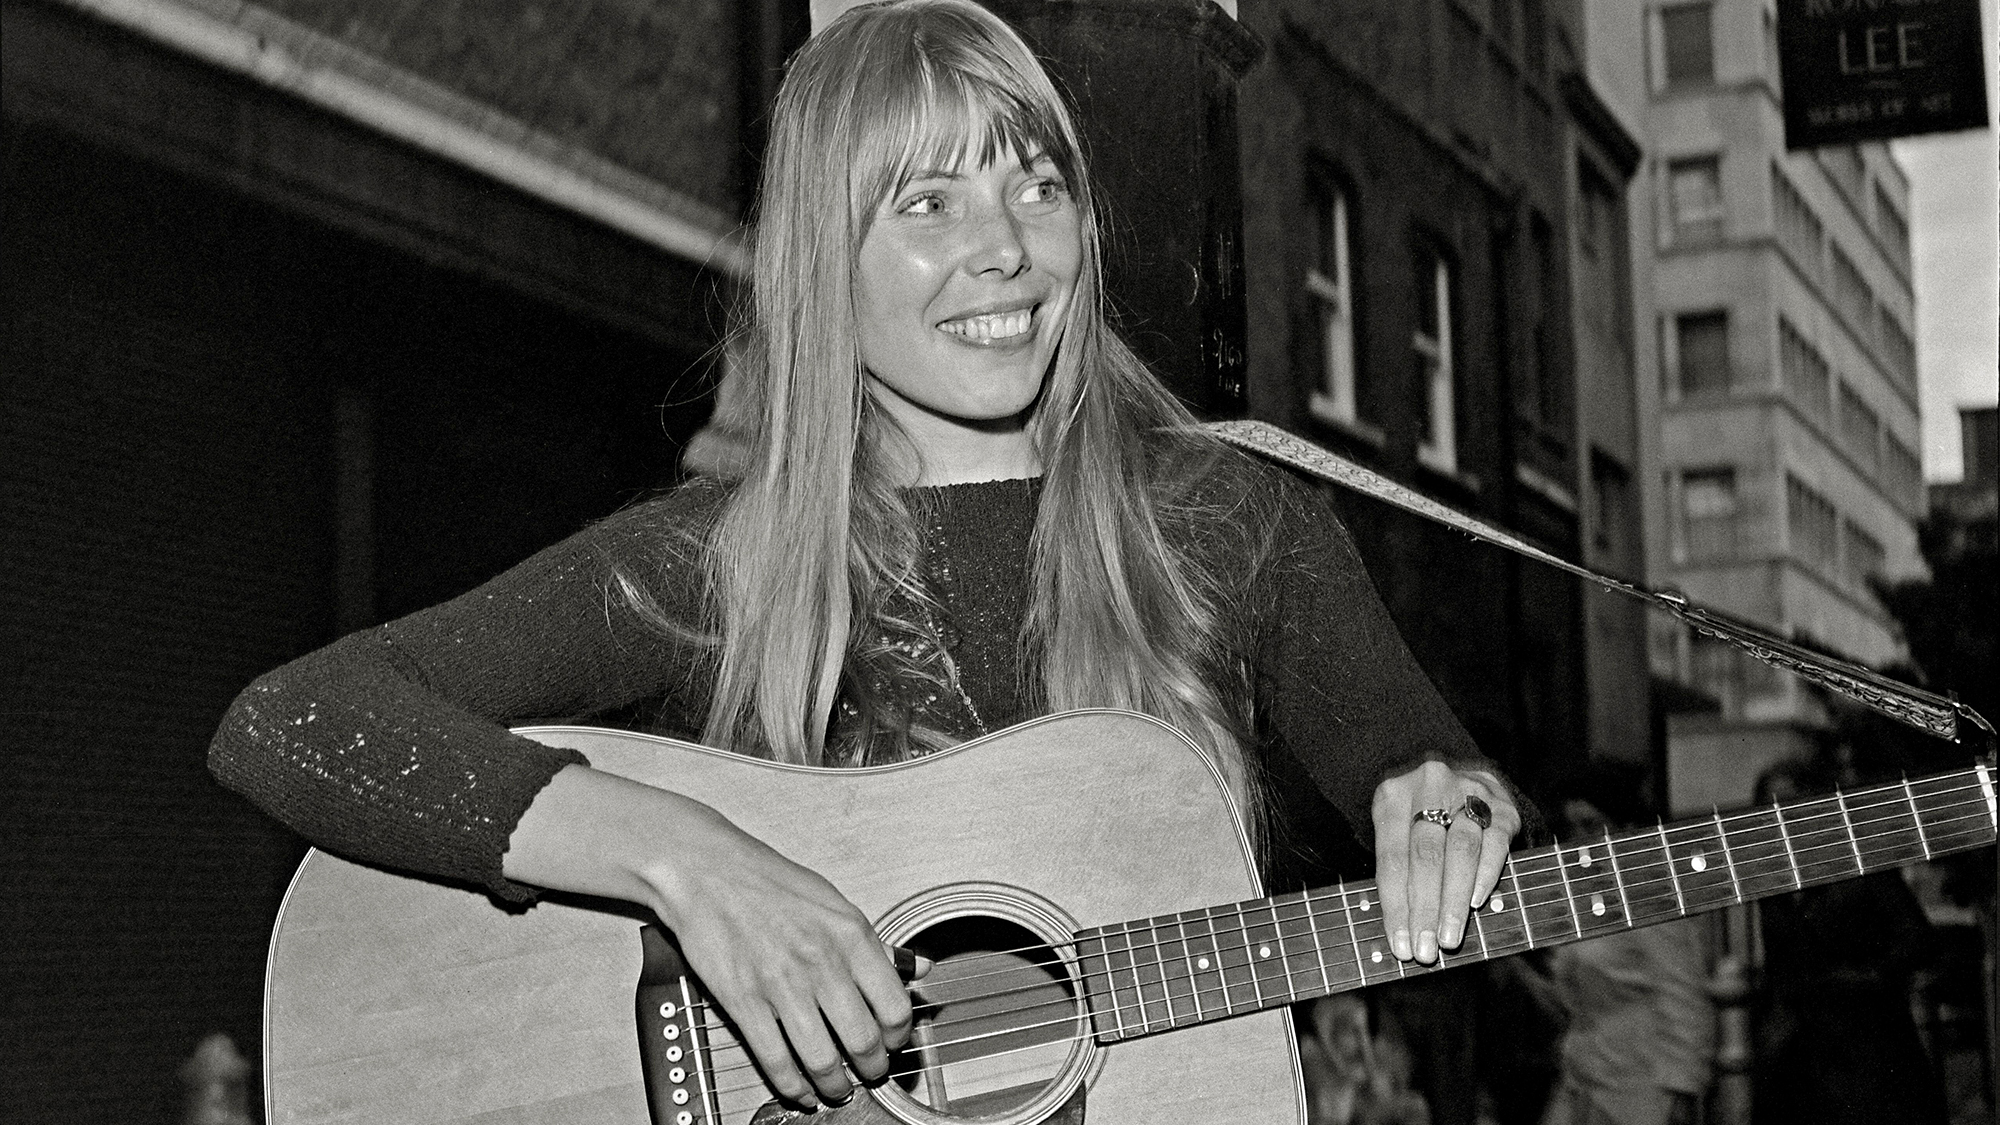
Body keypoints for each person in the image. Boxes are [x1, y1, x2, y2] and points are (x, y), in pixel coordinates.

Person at [207, 1, 1524, 1117]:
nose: (1004, 246)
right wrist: (689, 860)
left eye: (1037, 183)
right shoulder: (719, 560)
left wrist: (1447, 803)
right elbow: (294, 720)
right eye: (927, 201)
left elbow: (1427, 772)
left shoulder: (1230, 518)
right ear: (824, 263)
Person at [1535, 799, 1714, 1125]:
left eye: (1590, 825)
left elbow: (1682, 993)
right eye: (1571, 828)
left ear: (1624, 828)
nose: (1579, 838)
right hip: (1585, 1076)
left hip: (1641, 1084)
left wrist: (1682, 1088)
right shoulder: (1582, 899)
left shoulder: (1646, 896)